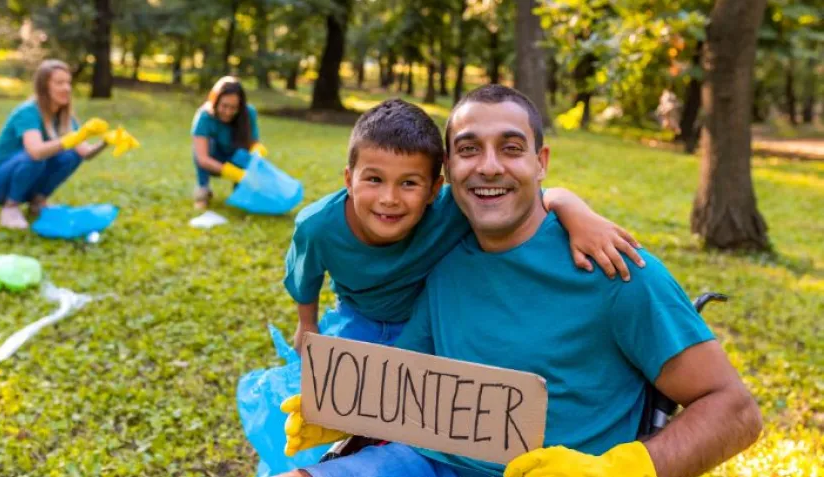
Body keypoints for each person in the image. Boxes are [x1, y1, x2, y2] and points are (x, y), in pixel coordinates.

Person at [279, 86, 762, 477]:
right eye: (469, 150)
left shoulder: (615, 267)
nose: (489, 165)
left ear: (541, 161)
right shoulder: (444, 262)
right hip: (424, 461)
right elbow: (407, 375)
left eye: (510, 148)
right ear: (448, 174)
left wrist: (624, 469)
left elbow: (736, 410)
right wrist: (348, 407)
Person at [284, 98, 645, 355]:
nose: (389, 199)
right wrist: (308, 324)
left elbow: (527, 196)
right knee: (334, 411)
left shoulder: (454, 207)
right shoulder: (317, 226)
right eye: (374, 179)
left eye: (409, 183)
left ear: (434, 189)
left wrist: (574, 209)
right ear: (348, 179)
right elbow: (305, 276)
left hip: (429, 327)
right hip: (358, 319)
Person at [0, 59, 111, 229]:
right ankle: (10, 207)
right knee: (39, 155)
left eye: (68, 83)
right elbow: (35, 152)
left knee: (72, 155)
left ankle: (37, 203)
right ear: (44, 87)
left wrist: (106, 142)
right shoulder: (28, 112)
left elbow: (84, 152)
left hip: (26, 177)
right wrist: (71, 139)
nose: (66, 88)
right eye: (59, 83)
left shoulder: (65, 118)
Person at [191, 76, 267, 209]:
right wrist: (230, 172)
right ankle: (203, 191)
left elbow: (253, 142)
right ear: (215, 101)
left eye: (233, 108)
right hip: (214, 156)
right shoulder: (204, 116)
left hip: (236, 155)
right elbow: (202, 158)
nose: (228, 112)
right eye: (224, 106)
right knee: (204, 147)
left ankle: (241, 192)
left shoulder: (248, 113)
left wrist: (257, 149)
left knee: (244, 155)